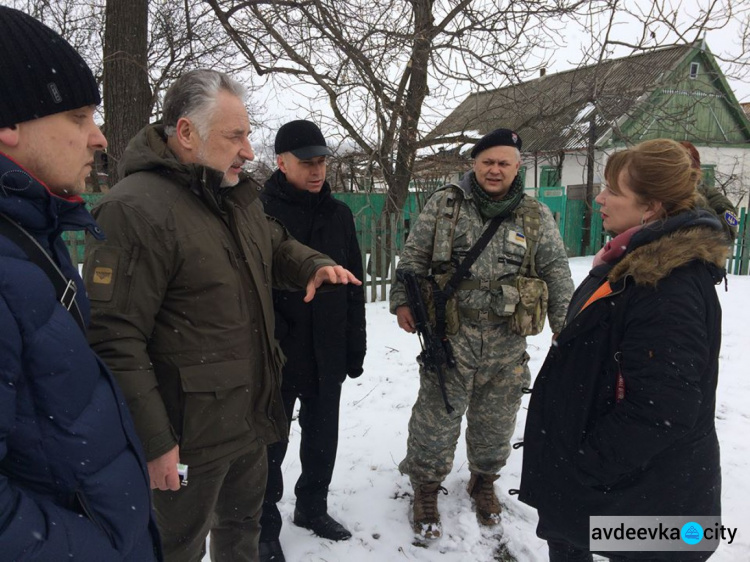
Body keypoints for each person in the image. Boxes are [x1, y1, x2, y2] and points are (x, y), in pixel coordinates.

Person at [83, 70, 360, 562]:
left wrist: (312, 264)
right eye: (236, 136)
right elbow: (112, 339)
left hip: (247, 418)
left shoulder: (231, 196)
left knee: (242, 531)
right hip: (186, 437)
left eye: (248, 135)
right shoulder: (133, 210)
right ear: (187, 133)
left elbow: (274, 244)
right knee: (175, 547)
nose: (249, 151)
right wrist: (154, 441)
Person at [0, 6, 161, 561]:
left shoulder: (29, 231)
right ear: (8, 122)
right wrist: (97, 549)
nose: (99, 137)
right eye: (77, 116)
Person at [519, 139, 726, 561]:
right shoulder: (632, 261)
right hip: (617, 486)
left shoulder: (667, 286)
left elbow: (662, 410)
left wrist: (580, 467)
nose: (599, 197)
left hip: (647, 503)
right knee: (569, 542)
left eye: (613, 190)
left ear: (650, 207)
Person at [390, 128, 574, 539]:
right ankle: (424, 487)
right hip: (450, 335)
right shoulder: (446, 204)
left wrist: (567, 330)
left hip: (508, 339)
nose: (494, 170)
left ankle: (484, 480)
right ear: (474, 163)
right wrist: (403, 300)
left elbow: (557, 274)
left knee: (497, 421)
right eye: (487, 161)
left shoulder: (534, 214)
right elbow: (413, 256)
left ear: (516, 168)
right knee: (436, 417)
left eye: (503, 163)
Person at [257, 120, 367, 561]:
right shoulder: (260, 213)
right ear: (281, 163)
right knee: (269, 444)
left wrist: (353, 346)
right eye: (307, 163)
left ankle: (312, 507)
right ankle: (264, 525)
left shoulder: (338, 214)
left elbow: (353, 282)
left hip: (327, 348)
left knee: (323, 437)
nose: (317, 170)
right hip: (279, 350)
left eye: (322, 161)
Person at [678, 140, 738, 242]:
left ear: (695, 170)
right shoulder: (657, 195)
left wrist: (695, 200)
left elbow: (726, 235)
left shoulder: (716, 199)